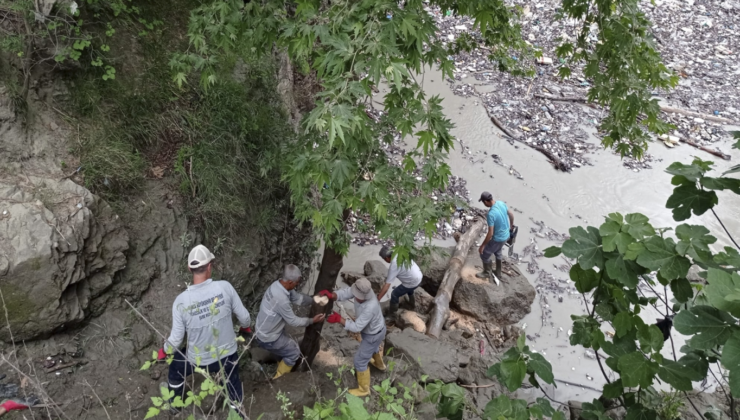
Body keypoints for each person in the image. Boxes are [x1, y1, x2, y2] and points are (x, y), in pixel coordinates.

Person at [157, 245, 251, 414]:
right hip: (227, 356)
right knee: (233, 386)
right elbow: (245, 317)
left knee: (175, 369)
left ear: (189, 269)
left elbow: (176, 340)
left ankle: (175, 406)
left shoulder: (181, 301)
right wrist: (245, 328)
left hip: (198, 360)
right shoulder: (225, 287)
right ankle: (237, 414)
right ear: (209, 266)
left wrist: (163, 351)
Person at [254, 264, 325, 379]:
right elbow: (293, 321)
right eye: (297, 282)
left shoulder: (278, 285)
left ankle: (280, 362)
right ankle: (279, 379)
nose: (298, 284)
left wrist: (314, 300)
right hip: (267, 337)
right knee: (294, 352)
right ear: (290, 282)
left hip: (265, 329)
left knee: (286, 343)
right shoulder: (281, 299)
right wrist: (312, 320)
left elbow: (298, 298)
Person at [319, 278, 386, 397]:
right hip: (375, 330)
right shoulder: (360, 290)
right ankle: (379, 365)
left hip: (373, 334)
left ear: (365, 295)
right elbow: (347, 292)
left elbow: (356, 327)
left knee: (359, 361)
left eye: (358, 296)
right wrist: (333, 295)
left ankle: (364, 390)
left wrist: (339, 319)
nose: (355, 296)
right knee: (373, 348)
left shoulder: (370, 306)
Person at [376, 245, 423, 319]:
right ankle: (412, 304)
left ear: (387, 258)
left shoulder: (394, 265)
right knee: (409, 287)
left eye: (384, 259)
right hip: (419, 276)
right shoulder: (400, 252)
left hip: (413, 281)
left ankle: (392, 315)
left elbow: (387, 285)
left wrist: (378, 298)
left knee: (394, 294)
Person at [477, 191, 514, 281]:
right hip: (506, 236)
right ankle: (498, 272)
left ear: (485, 202)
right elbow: (511, 214)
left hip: (498, 238)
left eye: (483, 202)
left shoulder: (491, 214)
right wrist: (511, 226)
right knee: (498, 252)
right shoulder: (501, 203)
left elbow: (490, 233)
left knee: (484, 255)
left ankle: (487, 273)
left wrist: (482, 246)